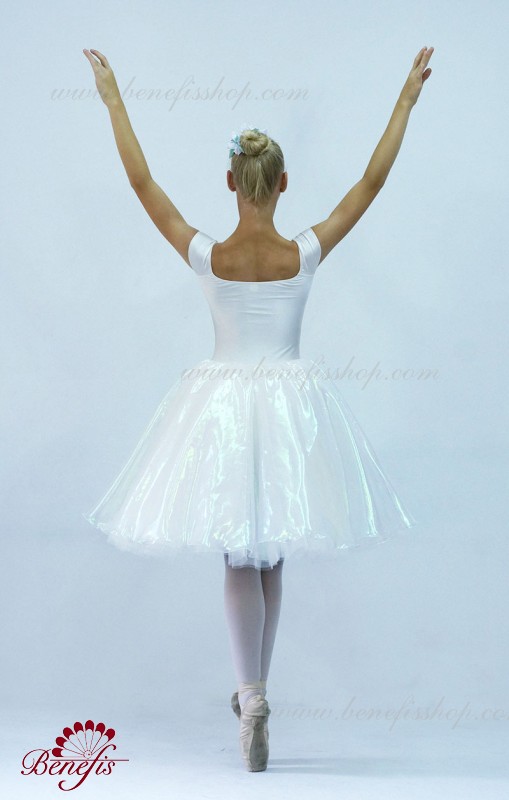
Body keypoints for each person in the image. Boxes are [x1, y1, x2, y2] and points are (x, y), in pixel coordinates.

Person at [81, 45, 434, 772]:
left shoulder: (207, 256)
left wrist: (114, 100)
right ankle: (256, 696)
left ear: (230, 183)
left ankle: (251, 694)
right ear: (282, 184)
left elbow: (143, 183)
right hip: (289, 409)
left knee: (237, 552)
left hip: (218, 409)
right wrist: (403, 101)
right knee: (268, 552)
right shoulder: (302, 254)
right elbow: (369, 183)